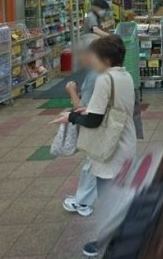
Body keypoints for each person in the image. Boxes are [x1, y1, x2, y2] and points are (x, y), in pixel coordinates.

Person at [52, 35, 136, 257]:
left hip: (110, 148)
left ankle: (110, 243)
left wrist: (71, 117)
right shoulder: (125, 75)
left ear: (105, 60)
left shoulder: (104, 79)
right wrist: (84, 111)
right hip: (125, 142)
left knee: (108, 198)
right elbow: (111, 109)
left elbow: (93, 121)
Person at [61, 34, 100, 217]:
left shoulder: (95, 76)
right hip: (110, 125)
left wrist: (72, 91)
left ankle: (84, 202)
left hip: (98, 127)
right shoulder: (106, 70)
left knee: (92, 164)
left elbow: (84, 109)